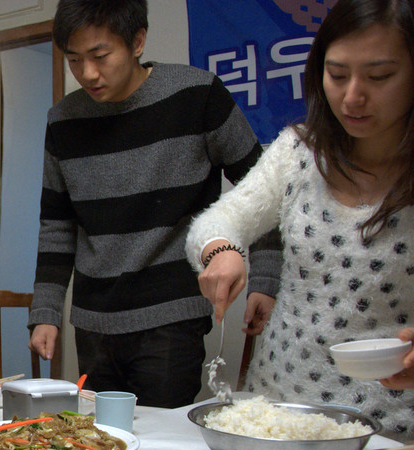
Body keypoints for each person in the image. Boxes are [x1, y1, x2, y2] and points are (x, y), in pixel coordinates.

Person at [28, 0, 281, 408]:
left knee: (163, 437)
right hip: (94, 322)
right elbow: (57, 225)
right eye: (74, 60)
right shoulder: (63, 120)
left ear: (137, 42)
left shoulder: (197, 95)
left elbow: (263, 191)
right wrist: (45, 311)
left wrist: (265, 278)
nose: (87, 73)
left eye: (100, 56)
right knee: (100, 437)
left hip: (171, 318)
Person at [187, 0, 414, 439]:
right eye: (337, 74)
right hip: (280, 413)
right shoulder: (299, 152)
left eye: (379, 76)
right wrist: (222, 251)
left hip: (394, 430)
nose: (353, 96)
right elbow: (218, 221)